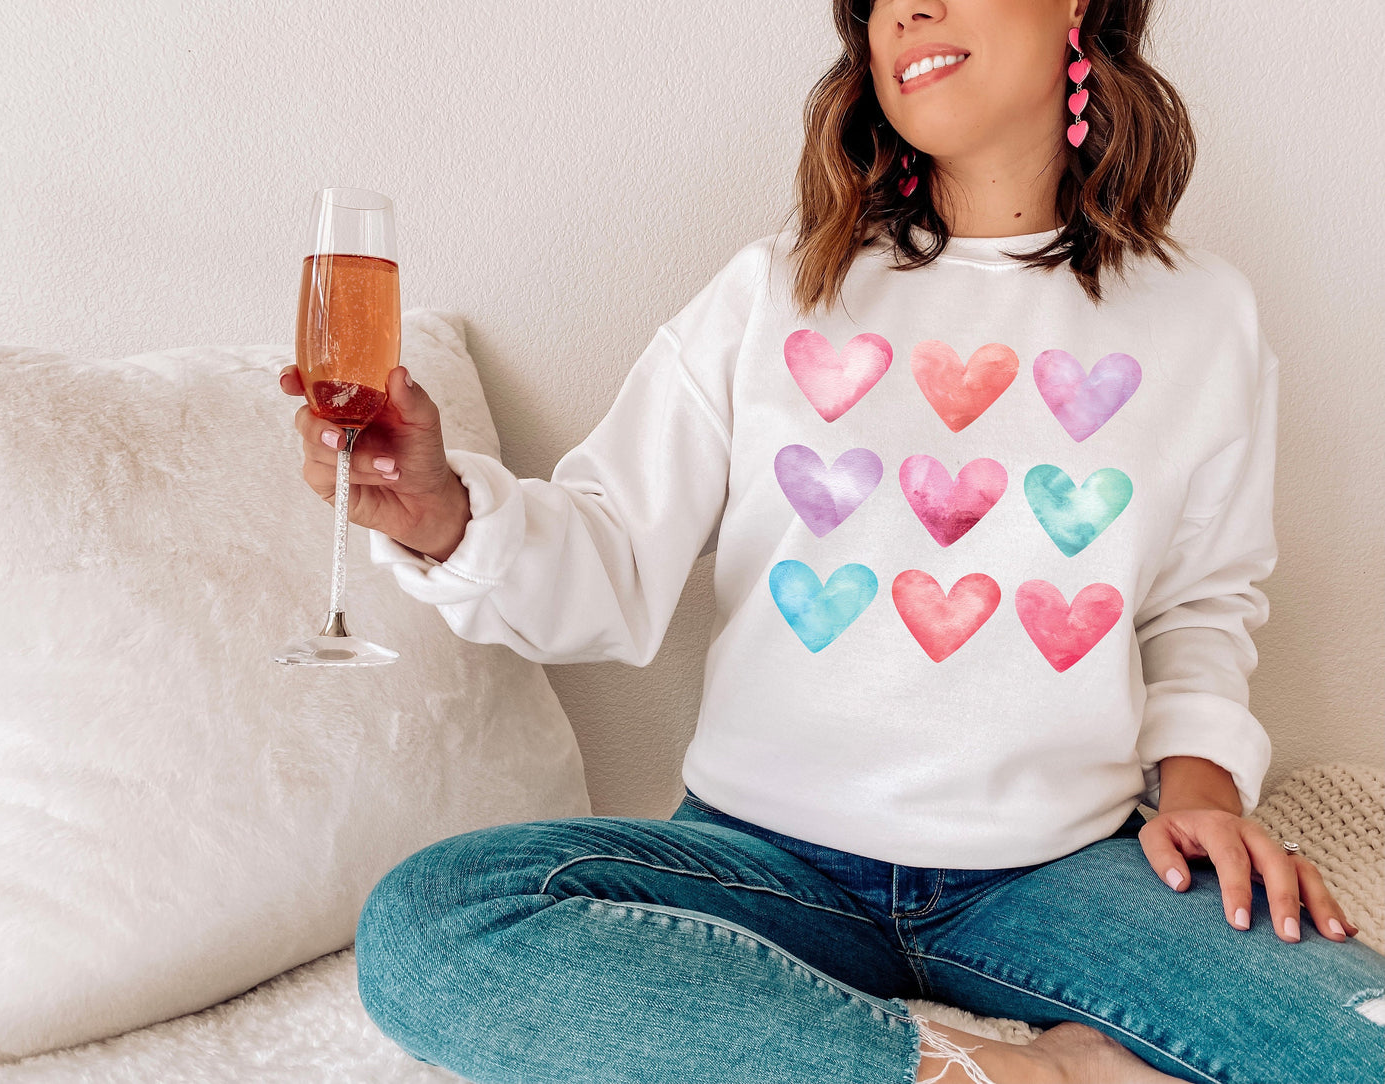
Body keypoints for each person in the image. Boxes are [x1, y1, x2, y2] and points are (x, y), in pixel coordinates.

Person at [281, 1, 1385, 1081]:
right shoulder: (771, 291)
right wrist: (444, 513)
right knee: (437, 921)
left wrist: (1200, 795)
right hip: (760, 860)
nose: (906, 11)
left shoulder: (1201, 315)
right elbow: (608, 554)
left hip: (1054, 873)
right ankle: (1004, 1076)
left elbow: (1197, 603)